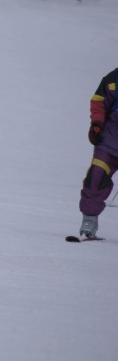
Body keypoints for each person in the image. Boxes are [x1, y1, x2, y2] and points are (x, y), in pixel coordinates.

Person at [77, 68, 118, 239]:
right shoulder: (113, 78)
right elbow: (98, 101)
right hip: (110, 139)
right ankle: (89, 219)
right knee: (96, 176)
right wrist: (97, 123)